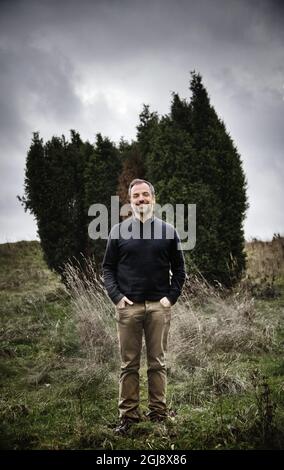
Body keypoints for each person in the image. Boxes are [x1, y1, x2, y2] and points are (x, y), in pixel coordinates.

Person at [102, 178, 186, 434]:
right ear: (130, 201)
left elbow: (180, 270)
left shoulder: (168, 231)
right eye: (136, 195)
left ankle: (159, 414)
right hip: (129, 308)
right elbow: (107, 269)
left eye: (145, 195)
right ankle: (128, 417)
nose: (140, 199)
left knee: (157, 363)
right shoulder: (118, 232)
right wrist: (117, 297)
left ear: (153, 198)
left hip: (159, 307)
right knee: (129, 364)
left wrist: (170, 298)